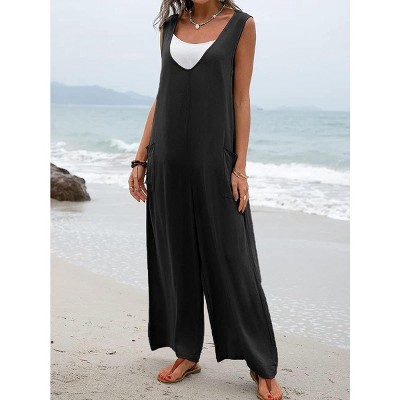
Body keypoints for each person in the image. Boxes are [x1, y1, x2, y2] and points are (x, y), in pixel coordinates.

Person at [128, 1, 283, 399]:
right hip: (168, 160)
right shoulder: (169, 26)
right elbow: (162, 95)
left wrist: (239, 168)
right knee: (176, 257)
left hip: (215, 161)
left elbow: (241, 98)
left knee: (234, 260)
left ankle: (261, 362)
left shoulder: (242, 26)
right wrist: (141, 157)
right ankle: (186, 352)